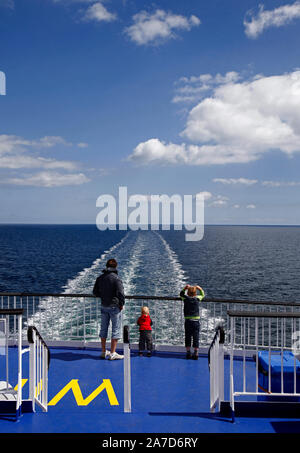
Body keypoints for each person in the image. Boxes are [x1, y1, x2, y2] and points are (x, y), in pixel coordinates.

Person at [93, 258, 125, 360]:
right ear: (115, 267)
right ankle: (112, 353)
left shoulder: (100, 278)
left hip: (104, 306)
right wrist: (121, 303)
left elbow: (95, 292)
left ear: (106, 266)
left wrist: (103, 296)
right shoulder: (116, 279)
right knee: (115, 329)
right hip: (114, 307)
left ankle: (103, 352)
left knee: (103, 329)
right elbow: (121, 293)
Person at [180, 284, 205, 360]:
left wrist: (184, 288)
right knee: (196, 336)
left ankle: (188, 352)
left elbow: (181, 294)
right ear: (195, 293)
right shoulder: (197, 299)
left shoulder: (185, 298)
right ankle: (196, 352)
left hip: (188, 321)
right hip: (195, 321)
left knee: (188, 336)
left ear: (187, 293)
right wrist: (199, 288)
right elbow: (202, 294)